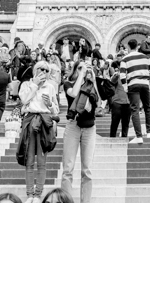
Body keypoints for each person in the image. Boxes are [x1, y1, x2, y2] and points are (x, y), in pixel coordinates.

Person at [17, 61, 60, 202]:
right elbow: (24, 100)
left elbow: (56, 110)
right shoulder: (26, 84)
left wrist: (50, 104)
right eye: (40, 69)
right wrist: (34, 84)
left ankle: (38, 194)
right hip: (30, 121)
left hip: (44, 121)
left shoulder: (51, 87)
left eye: (46, 70)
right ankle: (30, 194)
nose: (43, 72)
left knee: (42, 161)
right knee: (29, 160)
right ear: (35, 70)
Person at [61, 56, 99, 203]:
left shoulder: (91, 85)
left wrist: (94, 79)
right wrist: (82, 75)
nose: (83, 70)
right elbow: (74, 94)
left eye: (85, 67)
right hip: (73, 126)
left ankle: (85, 204)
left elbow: (101, 102)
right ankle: (65, 202)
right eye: (80, 67)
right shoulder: (68, 83)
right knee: (67, 169)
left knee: (87, 170)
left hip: (89, 128)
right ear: (75, 69)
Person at [120, 38, 150, 145]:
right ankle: (149, 132)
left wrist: (125, 86)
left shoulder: (125, 59)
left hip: (133, 85)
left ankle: (139, 136)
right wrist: (149, 83)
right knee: (147, 107)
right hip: (144, 83)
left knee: (135, 110)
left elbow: (122, 75)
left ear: (128, 47)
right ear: (137, 46)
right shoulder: (145, 57)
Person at [107, 60, 132, 138]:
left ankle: (124, 139)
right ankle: (112, 138)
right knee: (115, 123)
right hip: (117, 102)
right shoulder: (117, 76)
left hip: (128, 103)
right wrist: (115, 75)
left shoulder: (130, 77)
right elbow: (111, 83)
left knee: (126, 124)